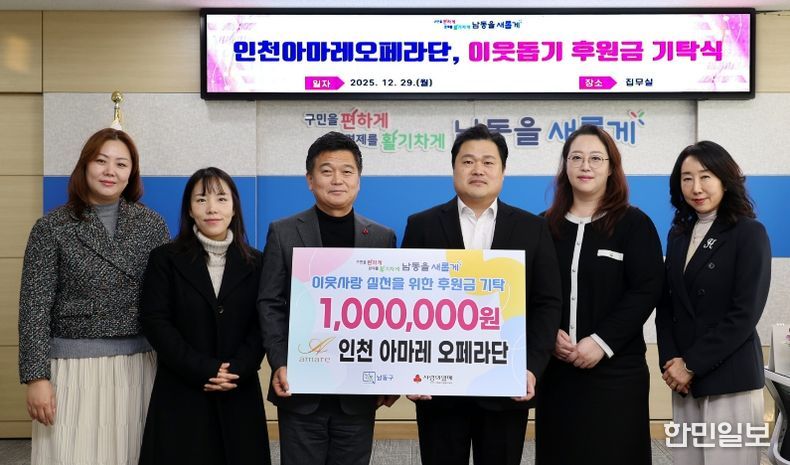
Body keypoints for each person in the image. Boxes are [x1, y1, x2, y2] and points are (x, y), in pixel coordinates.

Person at [401, 123, 562, 465]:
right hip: (438, 387)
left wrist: (531, 368)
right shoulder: (422, 225)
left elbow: (547, 303)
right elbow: (406, 305)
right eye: (468, 161)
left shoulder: (532, 228)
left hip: (506, 384)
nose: (478, 169)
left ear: (503, 171)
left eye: (488, 162)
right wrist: (410, 369)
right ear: (454, 168)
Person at [18, 128, 169, 465]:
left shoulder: (151, 224)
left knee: (132, 454)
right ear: (85, 165)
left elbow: (169, 299)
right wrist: (36, 377)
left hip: (139, 365)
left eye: (121, 164)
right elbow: (34, 308)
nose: (110, 171)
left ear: (131, 173)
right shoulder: (51, 227)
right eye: (101, 161)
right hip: (73, 369)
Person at [258, 131, 397, 465]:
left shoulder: (381, 238)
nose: (337, 180)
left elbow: (391, 313)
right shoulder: (284, 232)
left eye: (347, 171)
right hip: (300, 387)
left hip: (358, 391)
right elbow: (270, 302)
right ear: (310, 180)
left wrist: (392, 374)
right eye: (326, 171)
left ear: (359, 180)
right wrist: (280, 361)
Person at [534, 124, 664, 464]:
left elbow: (647, 289)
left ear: (611, 167)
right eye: (576, 158)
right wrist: (548, 334)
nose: (585, 166)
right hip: (556, 372)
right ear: (565, 166)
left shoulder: (634, 224)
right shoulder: (542, 226)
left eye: (595, 158)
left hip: (617, 372)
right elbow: (530, 292)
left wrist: (601, 341)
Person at [138, 167, 270, 465]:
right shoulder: (165, 259)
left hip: (237, 387)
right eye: (201, 199)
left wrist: (236, 369)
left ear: (234, 208)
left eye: (221, 199)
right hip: (182, 389)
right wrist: (204, 369)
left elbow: (262, 323)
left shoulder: (257, 262)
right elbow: (155, 321)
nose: (212, 208)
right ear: (189, 209)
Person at [656, 141, 770, 465]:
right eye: (686, 178)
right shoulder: (678, 235)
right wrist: (671, 363)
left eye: (705, 176)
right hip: (684, 382)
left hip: (730, 381)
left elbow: (744, 315)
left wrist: (691, 364)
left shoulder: (749, 233)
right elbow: (667, 305)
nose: (696, 187)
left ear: (725, 179)